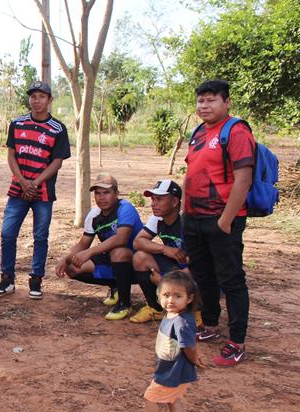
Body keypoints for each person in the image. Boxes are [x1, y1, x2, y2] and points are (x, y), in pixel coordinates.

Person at [183, 80, 254, 367]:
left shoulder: (236, 131)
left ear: (226, 102)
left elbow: (243, 179)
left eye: (211, 100)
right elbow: (193, 171)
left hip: (222, 220)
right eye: (201, 101)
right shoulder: (199, 132)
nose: (204, 106)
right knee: (203, 275)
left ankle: (236, 342)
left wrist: (225, 221)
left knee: (231, 279)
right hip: (194, 218)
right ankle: (210, 325)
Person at [0, 81, 70, 300]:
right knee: (8, 234)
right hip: (18, 189)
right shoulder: (17, 124)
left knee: (40, 236)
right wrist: (22, 181)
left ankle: (36, 280)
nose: (37, 101)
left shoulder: (58, 129)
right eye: (33, 97)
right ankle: (7, 279)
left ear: (50, 100)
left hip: (43, 193)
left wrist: (34, 183)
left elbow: (57, 162)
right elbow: (11, 155)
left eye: (42, 97)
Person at [127, 271, 204, 412]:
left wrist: (194, 360)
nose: (171, 300)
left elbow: (189, 346)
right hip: (173, 368)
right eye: (166, 295)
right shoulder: (172, 315)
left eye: (178, 296)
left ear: (189, 298)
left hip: (173, 372)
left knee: (151, 397)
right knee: (172, 399)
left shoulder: (182, 322)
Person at [55, 174, 143, 320]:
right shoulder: (94, 215)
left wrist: (89, 253)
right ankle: (117, 287)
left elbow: (121, 238)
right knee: (72, 268)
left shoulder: (126, 208)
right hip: (111, 258)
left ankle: (124, 303)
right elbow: (83, 243)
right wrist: (65, 259)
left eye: (106, 192)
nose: (101, 197)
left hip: (136, 261)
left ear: (116, 193)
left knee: (118, 252)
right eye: (98, 193)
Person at [130, 179, 191, 323]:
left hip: (195, 271)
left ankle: (196, 312)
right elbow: (138, 242)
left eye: (159, 199)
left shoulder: (188, 222)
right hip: (177, 267)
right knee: (140, 257)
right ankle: (155, 308)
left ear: (175, 202)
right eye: (152, 199)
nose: (153, 203)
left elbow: (201, 264)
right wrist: (164, 249)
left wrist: (165, 282)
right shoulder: (157, 219)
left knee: (200, 272)